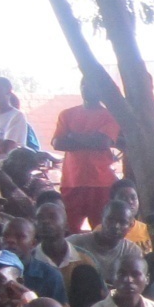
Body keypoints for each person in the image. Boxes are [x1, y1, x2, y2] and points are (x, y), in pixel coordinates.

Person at [50, 74, 124, 232]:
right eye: (84, 85)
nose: (87, 89)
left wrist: (73, 136)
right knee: (67, 231)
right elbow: (58, 143)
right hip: (71, 181)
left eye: (92, 86)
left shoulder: (110, 115)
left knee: (101, 231)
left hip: (101, 183)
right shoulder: (67, 114)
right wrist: (92, 139)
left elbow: (103, 142)